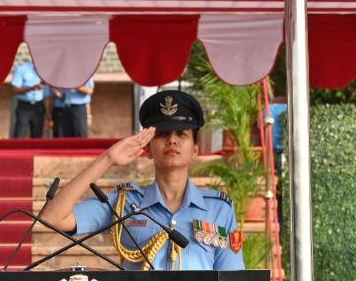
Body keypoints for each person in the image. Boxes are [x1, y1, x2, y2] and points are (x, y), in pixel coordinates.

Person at [45, 89, 244, 270]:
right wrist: (107, 160)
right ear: (147, 149)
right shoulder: (124, 204)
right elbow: (53, 218)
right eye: (163, 134)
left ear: (195, 149)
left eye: (181, 134)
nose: (172, 140)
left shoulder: (219, 209)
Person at [9, 59, 46, 138]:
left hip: (39, 106)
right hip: (24, 105)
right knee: (19, 134)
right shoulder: (22, 69)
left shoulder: (47, 69)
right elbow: (14, 90)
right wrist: (32, 88)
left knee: (37, 135)